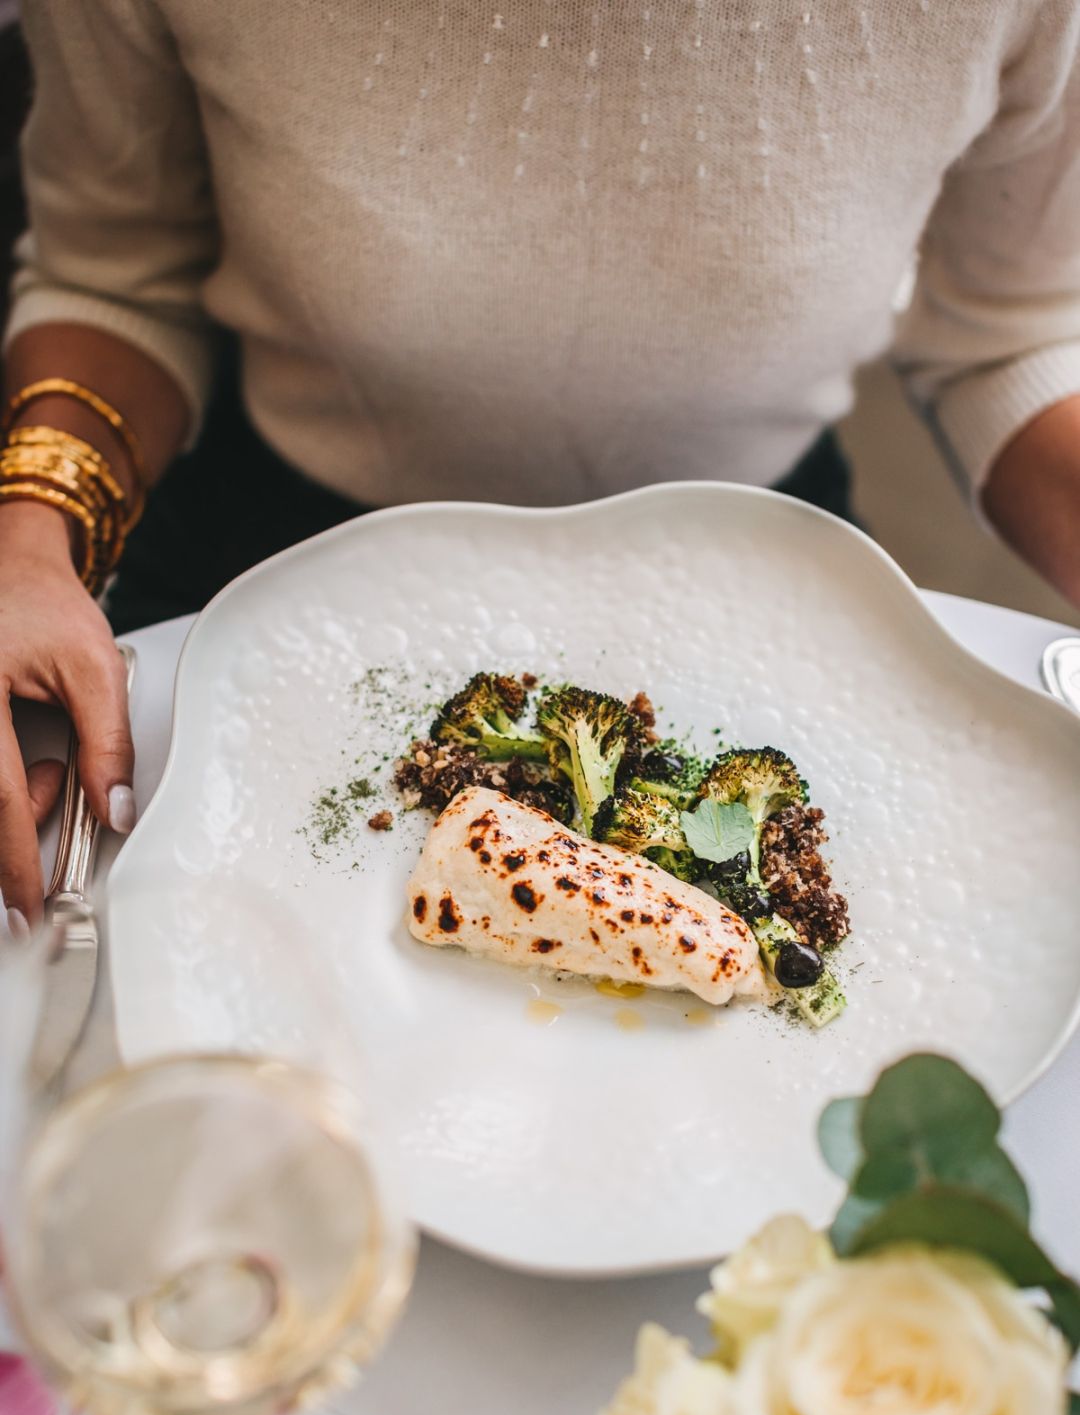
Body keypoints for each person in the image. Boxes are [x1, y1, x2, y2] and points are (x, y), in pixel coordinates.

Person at [1, 1, 1079, 935]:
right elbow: (119, 274)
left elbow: (1014, 333)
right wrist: (26, 539)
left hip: (764, 561)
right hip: (265, 538)